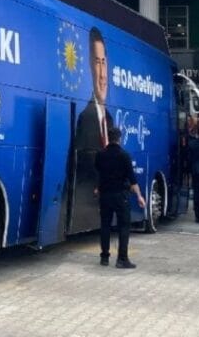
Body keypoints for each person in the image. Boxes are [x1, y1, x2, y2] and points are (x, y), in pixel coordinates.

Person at [70, 27, 114, 233]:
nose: (103, 74)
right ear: (88, 67)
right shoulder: (85, 118)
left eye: (104, 62)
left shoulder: (110, 119)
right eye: (97, 62)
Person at [95, 125, 146, 269]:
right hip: (120, 196)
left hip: (105, 195)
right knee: (124, 226)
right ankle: (122, 259)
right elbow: (132, 179)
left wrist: (98, 187)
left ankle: (104, 257)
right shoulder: (124, 155)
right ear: (119, 139)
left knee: (105, 225)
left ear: (108, 138)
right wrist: (139, 196)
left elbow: (99, 172)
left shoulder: (100, 154)